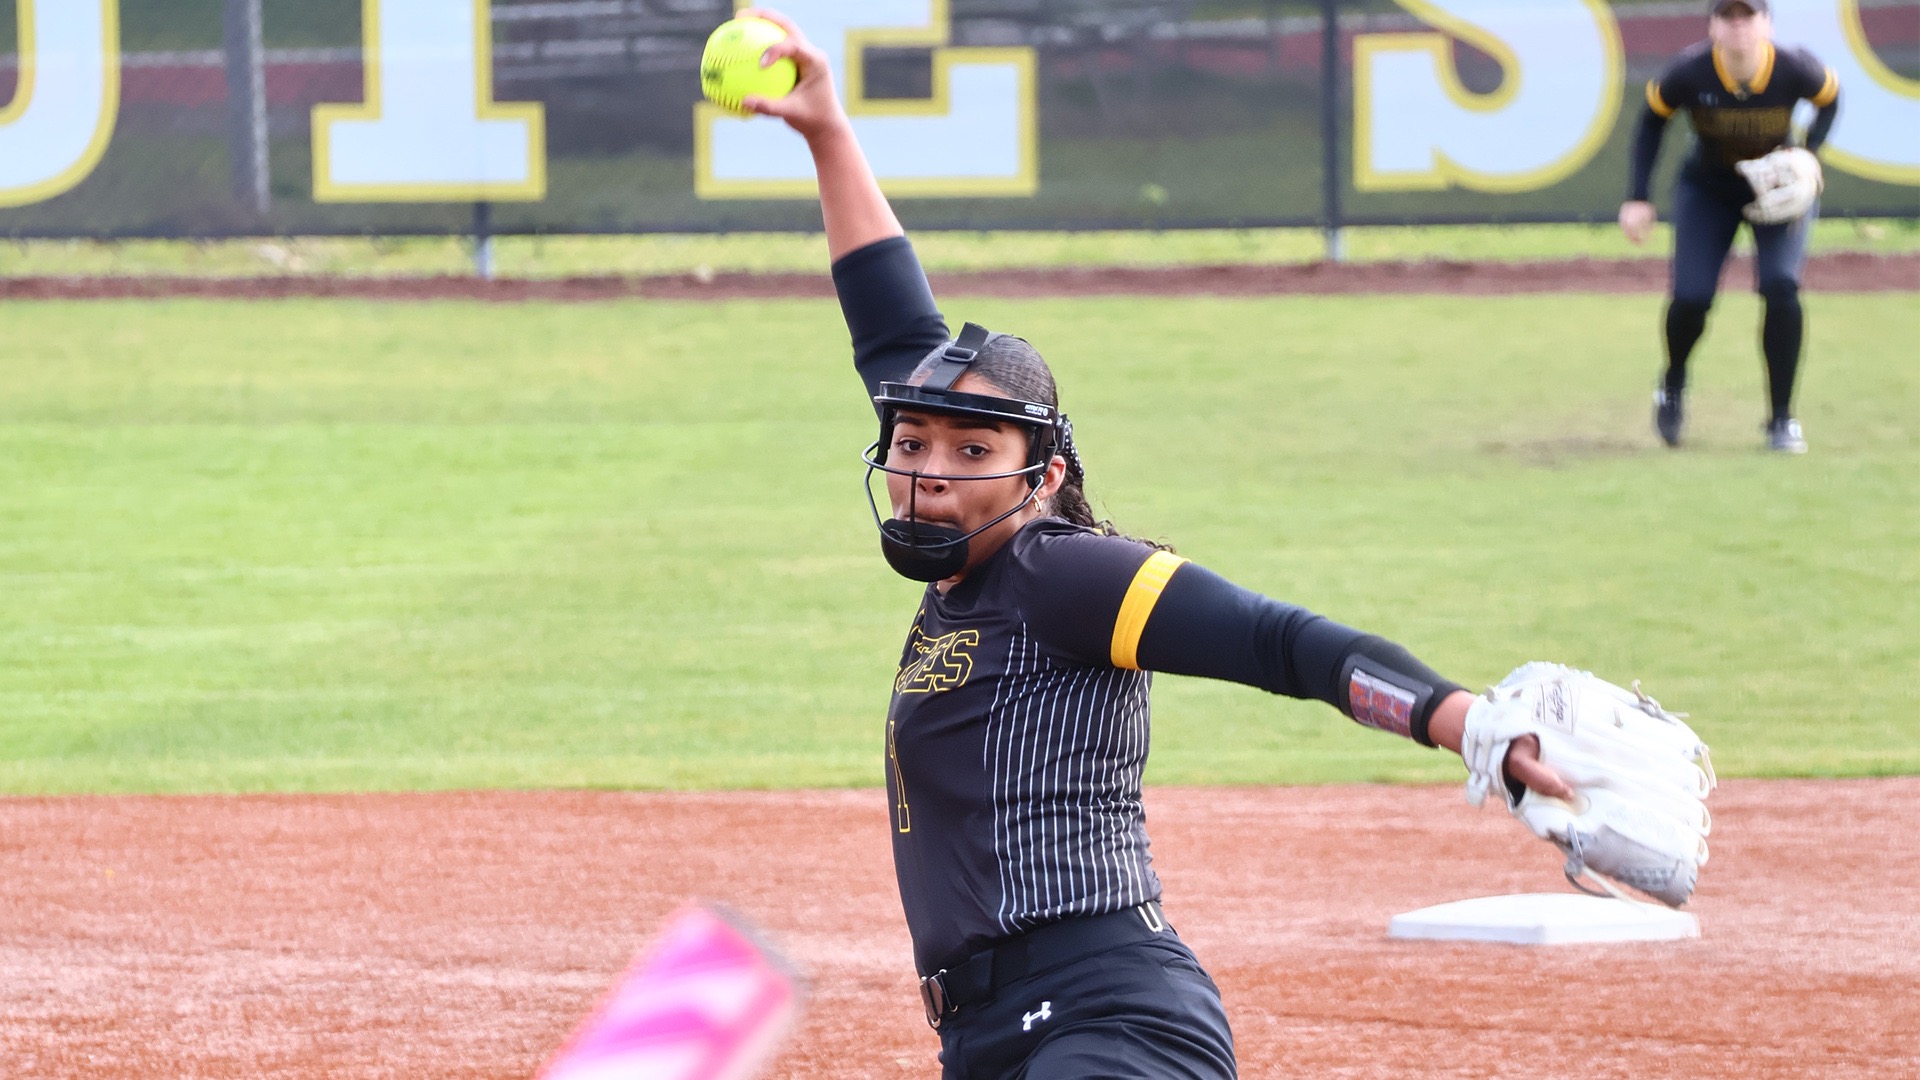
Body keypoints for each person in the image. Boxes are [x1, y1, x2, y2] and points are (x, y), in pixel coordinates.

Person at [739, 9, 1573, 1077]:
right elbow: (896, 334)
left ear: (1042, 479)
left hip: (1108, 1018)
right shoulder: (970, 560)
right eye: (911, 442)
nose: (931, 470)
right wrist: (828, 135)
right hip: (992, 1037)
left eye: (970, 448)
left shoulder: (1063, 574)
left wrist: (1469, 725)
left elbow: (1283, 643)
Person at [1620, 0, 1840, 454]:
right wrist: (1639, 196)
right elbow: (1650, 121)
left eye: (1748, 16)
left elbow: (1830, 99)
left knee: (1781, 287)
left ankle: (1781, 419)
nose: (1738, 26)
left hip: (1776, 189)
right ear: (1713, 25)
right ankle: (1674, 381)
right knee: (1691, 298)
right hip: (1710, 189)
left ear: (1767, 24)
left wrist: (1809, 153)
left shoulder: (1795, 67)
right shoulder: (1690, 71)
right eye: (1728, 17)